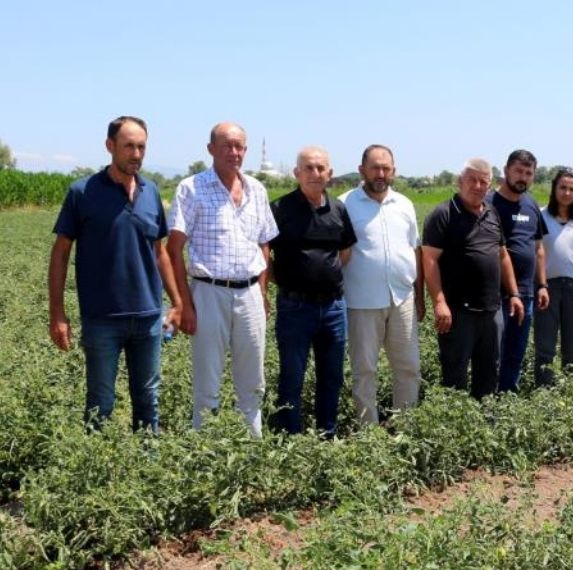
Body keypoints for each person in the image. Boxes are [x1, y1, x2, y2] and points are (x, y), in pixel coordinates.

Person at [48, 115, 181, 432]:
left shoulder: (150, 192)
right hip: (102, 318)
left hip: (148, 316)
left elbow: (159, 250)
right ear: (110, 147)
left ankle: (147, 469)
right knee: (100, 402)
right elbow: (60, 253)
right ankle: (98, 476)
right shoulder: (83, 192)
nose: (136, 154)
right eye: (128, 147)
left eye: (141, 147)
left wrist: (177, 302)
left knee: (148, 399)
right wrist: (57, 314)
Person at [168, 122, 278, 437]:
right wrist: (184, 304)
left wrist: (262, 291)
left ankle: (252, 453)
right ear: (211, 149)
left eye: (240, 146)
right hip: (208, 292)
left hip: (250, 294)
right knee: (207, 383)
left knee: (253, 382)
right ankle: (206, 459)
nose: (234, 152)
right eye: (227, 145)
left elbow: (264, 243)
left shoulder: (257, 189)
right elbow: (174, 249)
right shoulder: (191, 188)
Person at [267, 146, 356, 437]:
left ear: (329, 174)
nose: (315, 174)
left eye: (321, 168)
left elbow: (345, 252)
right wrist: (293, 280)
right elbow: (265, 256)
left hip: (332, 307)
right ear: (297, 173)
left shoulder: (338, 209)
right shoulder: (280, 209)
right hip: (295, 307)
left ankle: (326, 435)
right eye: (308, 168)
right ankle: (289, 438)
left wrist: (321, 275)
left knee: (331, 377)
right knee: (292, 377)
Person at [421, 158, 525, 399]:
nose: (478, 186)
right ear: (460, 181)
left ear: (489, 186)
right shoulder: (443, 214)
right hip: (458, 312)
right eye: (472, 180)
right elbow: (430, 261)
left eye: (483, 182)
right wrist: (439, 301)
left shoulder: (491, 213)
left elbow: (502, 255)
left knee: (489, 371)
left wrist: (514, 294)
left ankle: (485, 424)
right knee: (455, 373)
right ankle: (455, 430)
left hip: (492, 310)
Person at [339, 144, 423, 426]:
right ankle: (368, 433)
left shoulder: (404, 205)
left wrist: (419, 297)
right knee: (365, 370)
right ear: (362, 169)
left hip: (402, 297)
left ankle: (404, 426)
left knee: (408, 366)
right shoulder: (345, 204)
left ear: (394, 171)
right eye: (375, 167)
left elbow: (414, 249)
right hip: (361, 300)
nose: (380, 173)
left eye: (386, 168)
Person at [488, 149, 548, 392]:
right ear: (506, 171)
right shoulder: (489, 204)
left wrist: (542, 284)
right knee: (493, 353)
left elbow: (538, 249)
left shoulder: (531, 205)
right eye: (518, 171)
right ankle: (488, 400)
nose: (523, 177)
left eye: (528, 173)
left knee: (516, 351)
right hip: (495, 294)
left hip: (526, 293)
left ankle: (507, 397)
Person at [532, 167, 573, 386]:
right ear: (554, 188)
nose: (567, 193)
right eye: (563, 187)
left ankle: (570, 390)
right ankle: (544, 390)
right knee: (545, 343)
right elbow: (536, 251)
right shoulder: (540, 215)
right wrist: (540, 284)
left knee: (572, 343)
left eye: (572, 189)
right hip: (547, 286)